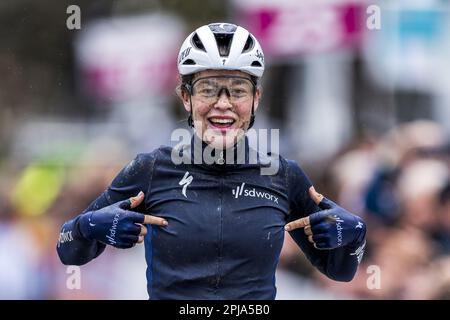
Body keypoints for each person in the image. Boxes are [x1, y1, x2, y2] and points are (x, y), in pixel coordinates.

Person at [57, 22, 366, 299]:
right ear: (186, 97)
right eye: (207, 90)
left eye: (237, 91)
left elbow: (340, 271)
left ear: (256, 98)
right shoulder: (150, 170)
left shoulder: (283, 176)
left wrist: (354, 236)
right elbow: (67, 249)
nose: (223, 104)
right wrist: (86, 228)